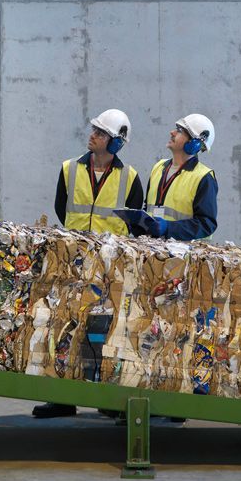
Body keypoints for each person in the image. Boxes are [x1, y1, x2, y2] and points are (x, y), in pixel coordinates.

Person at [32, 108, 144, 420]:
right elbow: (61, 208)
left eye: (100, 132)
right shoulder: (69, 169)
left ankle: (106, 398)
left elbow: (135, 223)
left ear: (116, 143)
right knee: (64, 326)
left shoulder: (131, 178)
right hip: (73, 262)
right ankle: (62, 398)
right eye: (93, 129)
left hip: (110, 269)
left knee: (103, 333)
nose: (92, 135)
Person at [129, 113, 218, 241]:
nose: (172, 132)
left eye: (180, 130)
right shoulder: (158, 168)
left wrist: (169, 228)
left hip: (185, 256)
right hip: (155, 253)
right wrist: (139, 224)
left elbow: (206, 224)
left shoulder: (203, 177)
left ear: (194, 143)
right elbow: (149, 208)